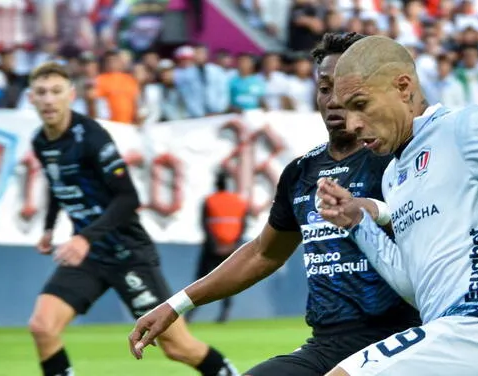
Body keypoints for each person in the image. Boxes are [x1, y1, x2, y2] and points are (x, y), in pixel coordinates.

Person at [129, 32, 422, 375]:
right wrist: (176, 304)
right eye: (325, 88)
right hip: (328, 344)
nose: (334, 100)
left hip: (403, 337)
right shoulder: (301, 173)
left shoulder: (398, 159)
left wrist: (374, 211)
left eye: (346, 89)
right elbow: (263, 253)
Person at [314, 35, 478, 376]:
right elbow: (413, 285)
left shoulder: (462, 128)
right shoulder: (394, 175)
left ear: (403, 87)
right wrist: (358, 224)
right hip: (448, 340)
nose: (352, 125)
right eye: (346, 111)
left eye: (360, 105)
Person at [27, 62, 238, 376]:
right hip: (89, 256)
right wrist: (48, 228)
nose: (48, 99)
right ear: (31, 98)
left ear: (71, 95)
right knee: (42, 327)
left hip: (127, 254)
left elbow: (128, 198)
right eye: (41, 92)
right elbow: (59, 185)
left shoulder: (92, 137)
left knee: (178, 347)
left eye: (56, 92)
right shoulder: (41, 141)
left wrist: (84, 237)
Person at [186, 170, 248, 323]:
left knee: (201, 279)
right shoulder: (238, 201)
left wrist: (214, 244)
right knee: (228, 281)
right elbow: (243, 225)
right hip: (231, 248)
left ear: (216, 184)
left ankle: (189, 315)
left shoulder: (209, 200)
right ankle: (224, 314)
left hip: (212, 247)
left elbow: (204, 224)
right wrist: (235, 244)